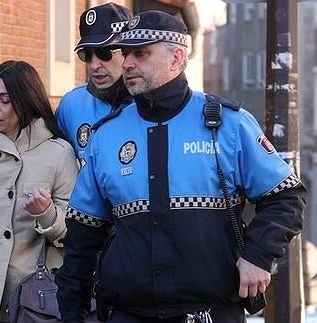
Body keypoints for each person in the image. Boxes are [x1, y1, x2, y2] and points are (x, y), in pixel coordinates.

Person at [55, 10, 307, 323]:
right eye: (126, 53)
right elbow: (82, 238)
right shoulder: (105, 135)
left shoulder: (228, 123)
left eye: (141, 53)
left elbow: (286, 197)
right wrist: (71, 313)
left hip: (211, 312)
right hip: (127, 312)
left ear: (176, 58)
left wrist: (258, 256)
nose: (128, 63)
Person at [0, 60, 78, 323]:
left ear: (25, 100)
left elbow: (74, 233)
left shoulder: (57, 152)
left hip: (31, 294)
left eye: (5, 100)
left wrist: (46, 214)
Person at [0, 2, 133, 169]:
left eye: (104, 53)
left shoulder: (151, 105)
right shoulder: (72, 104)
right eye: (86, 55)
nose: (94, 65)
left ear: (128, 50)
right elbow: (33, 137)